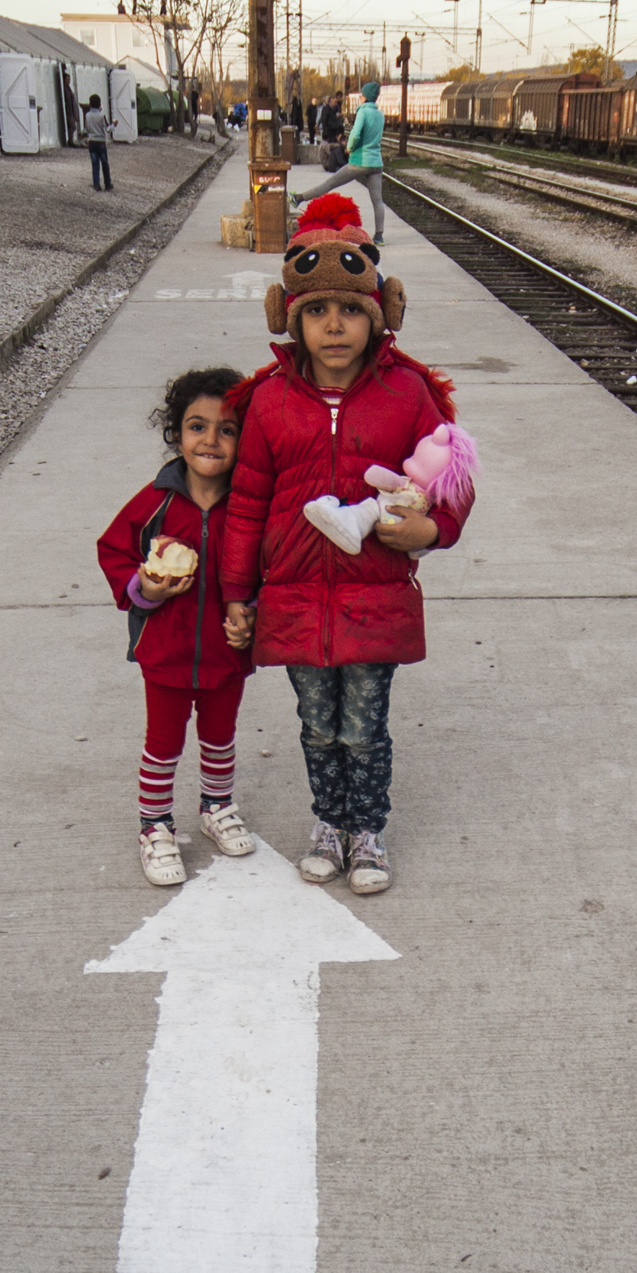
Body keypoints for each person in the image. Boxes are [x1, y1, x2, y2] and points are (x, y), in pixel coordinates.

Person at [216, 194, 474, 897]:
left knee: (365, 725)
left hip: (374, 597)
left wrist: (430, 528)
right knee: (315, 724)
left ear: (380, 312)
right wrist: (237, 594)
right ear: (290, 317)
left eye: (352, 310)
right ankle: (327, 823)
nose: (336, 325)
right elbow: (244, 506)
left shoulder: (407, 395)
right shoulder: (268, 402)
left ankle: (368, 832)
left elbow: (450, 482)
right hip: (293, 597)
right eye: (319, 312)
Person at [97, 367, 257, 885]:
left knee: (220, 736)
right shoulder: (156, 503)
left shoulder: (250, 507)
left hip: (226, 652)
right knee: (163, 742)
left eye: (227, 429)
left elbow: (270, 565)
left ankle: (216, 806)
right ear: (176, 433)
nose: (210, 439)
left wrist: (252, 612)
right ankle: (154, 824)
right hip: (164, 651)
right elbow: (114, 551)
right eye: (196, 426)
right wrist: (144, 589)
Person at [300, 77, 386, 237]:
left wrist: (349, 148)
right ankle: (379, 235)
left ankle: (300, 198)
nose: (360, 97)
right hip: (376, 162)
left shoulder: (363, 111)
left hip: (359, 161)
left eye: (362, 95)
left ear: (365, 96)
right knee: (377, 200)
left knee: (330, 183)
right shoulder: (380, 114)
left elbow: (354, 134)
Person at [79, 86, 114, 190]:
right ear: (99, 104)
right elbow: (108, 129)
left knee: (95, 164)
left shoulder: (87, 115)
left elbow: (87, 129)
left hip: (91, 142)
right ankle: (107, 184)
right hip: (101, 142)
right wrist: (114, 125)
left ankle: (96, 184)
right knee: (104, 163)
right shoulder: (101, 115)